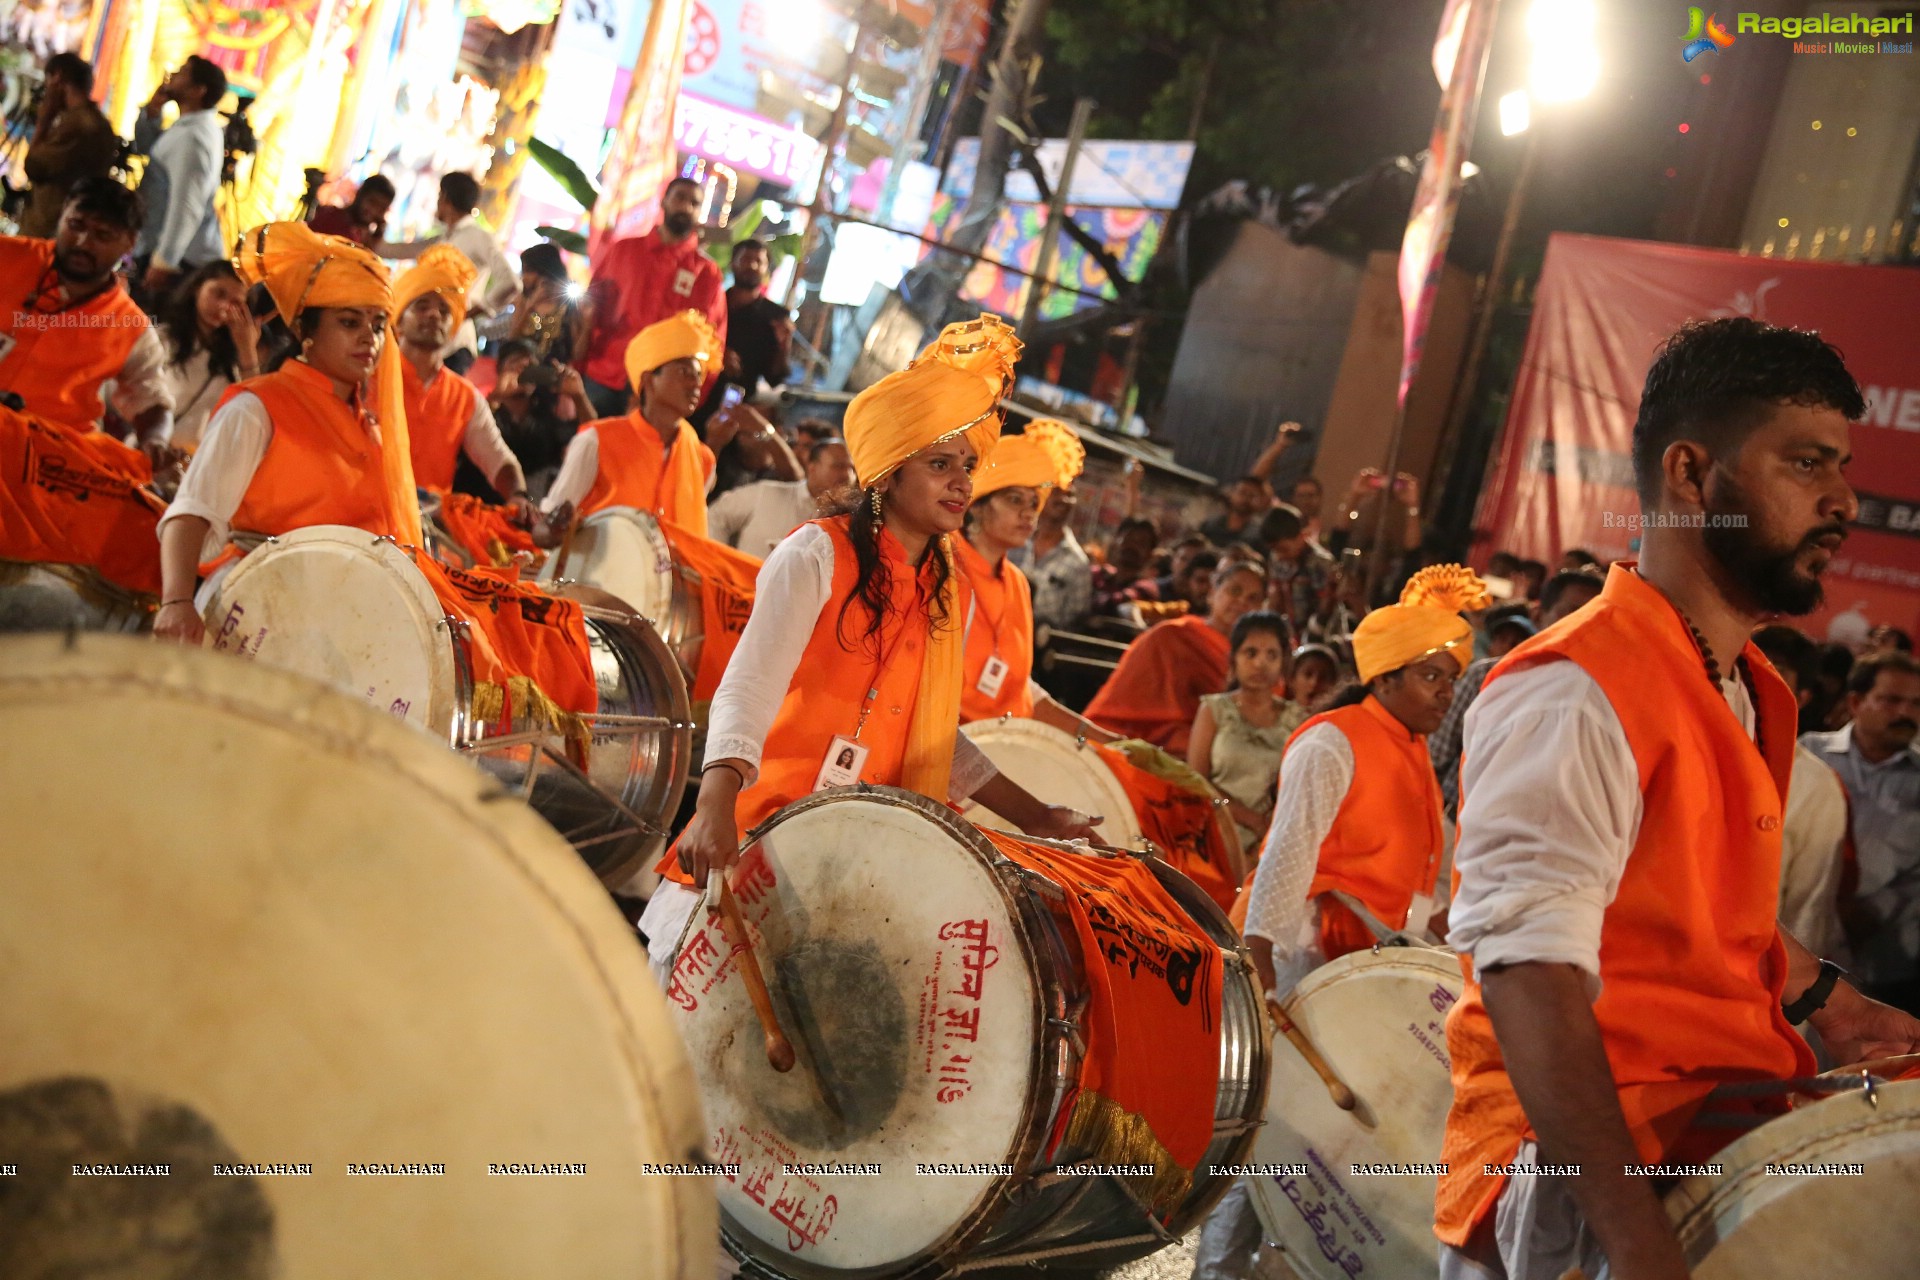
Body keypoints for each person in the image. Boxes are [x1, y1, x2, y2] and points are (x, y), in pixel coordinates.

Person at [1437, 318, 1920, 1280]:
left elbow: (1692, 913)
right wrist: (1640, 1248)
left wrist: (1828, 1000)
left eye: (1842, 466)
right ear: (1692, 475)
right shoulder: (1574, 690)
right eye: (1805, 463)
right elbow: (1530, 979)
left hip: (1704, 1130)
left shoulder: (1747, 690)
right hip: (1581, 1196)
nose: (1842, 499)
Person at [646, 315, 1099, 975]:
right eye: (940, 464)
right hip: (766, 834)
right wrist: (713, 804)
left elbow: (935, 735)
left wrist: (1038, 815)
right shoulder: (815, 553)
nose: (961, 484)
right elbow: (749, 683)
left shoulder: (941, 584)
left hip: (863, 854)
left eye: (967, 466)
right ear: (887, 474)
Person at [1194, 568, 1480, 1280]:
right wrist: (1260, 963)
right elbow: (1288, 859)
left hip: (1361, 974)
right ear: (1383, 678)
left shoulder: (1412, 753)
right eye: (1431, 676)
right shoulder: (1335, 742)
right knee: (1272, 1131)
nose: (1446, 694)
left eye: (1451, 679)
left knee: (1314, 1143)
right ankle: (1217, 1272)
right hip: (1301, 961)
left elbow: (1417, 882)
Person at [154, 223, 418, 644]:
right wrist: (175, 603)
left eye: (378, 325)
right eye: (350, 322)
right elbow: (191, 511)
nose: (369, 337)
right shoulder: (257, 408)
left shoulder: (371, 430)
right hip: (252, 609)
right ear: (304, 334)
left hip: (339, 620)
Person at [954, 418, 1118, 736]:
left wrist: (1097, 736)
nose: (1029, 513)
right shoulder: (944, 567)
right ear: (978, 506)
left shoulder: (1017, 583)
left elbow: (1019, 686)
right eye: (1015, 500)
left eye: (1033, 503)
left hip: (1005, 737)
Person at [0, 179, 173, 457]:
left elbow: (151, 399)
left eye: (102, 235)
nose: (83, 243)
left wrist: (155, 442)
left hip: (49, 460)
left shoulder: (130, 327)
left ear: (129, 242)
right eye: (76, 225)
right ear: (63, 214)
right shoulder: (6, 256)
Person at [1429, 567, 1604, 821]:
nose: (1584, 625)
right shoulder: (1488, 677)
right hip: (1456, 822)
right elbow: (1437, 756)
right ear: (1538, 615)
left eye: (1595, 617)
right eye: (1572, 612)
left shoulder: (1598, 701)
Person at [1801, 650, 1920, 1011]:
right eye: (1891, 700)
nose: (1905, 713)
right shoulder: (1808, 756)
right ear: (1855, 701)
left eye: (1916, 703)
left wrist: (1868, 912)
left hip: (1887, 969)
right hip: (1797, 948)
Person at [540, 309, 721, 540]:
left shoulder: (703, 460)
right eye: (684, 372)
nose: (696, 383)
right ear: (648, 381)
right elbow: (550, 523)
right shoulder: (596, 441)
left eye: (698, 375)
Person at [389, 245, 528, 516]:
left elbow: (498, 458)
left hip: (428, 528)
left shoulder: (465, 396)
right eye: (422, 306)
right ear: (399, 321)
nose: (434, 315)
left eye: (444, 310)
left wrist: (519, 496)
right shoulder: (371, 377)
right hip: (364, 515)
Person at [578, 177, 726, 419]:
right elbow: (589, 312)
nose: (686, 207)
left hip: (657, 393)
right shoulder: (624, 250)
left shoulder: (706, 274)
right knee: (585, 450)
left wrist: (686, 400)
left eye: (694, 203)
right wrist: (577, 367)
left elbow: (712, 344)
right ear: (664, 201)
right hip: (603, 376)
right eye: (679, 198)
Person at [1084, 558, 1266, 755]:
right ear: (1213, 593)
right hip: (1152, 745)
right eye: (1235, 591)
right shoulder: (1170, 636)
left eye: (1253, 598)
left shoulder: (1262, 657)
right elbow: (1124, 705)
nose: (1242, 603)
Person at [1752, 623, 1850, 961]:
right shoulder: (1691, 746)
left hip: (1754, 978)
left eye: (1774, 672)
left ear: (1802, 696)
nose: (1754, 681)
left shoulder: (1816, 785)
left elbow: (1809, 908)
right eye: (1744, 667)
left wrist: (1791, 1007)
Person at [1188, 611, 1307, 850]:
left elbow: (1301, 787)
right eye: (1251, 653)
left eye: (1271, 655)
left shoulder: (1297, 718)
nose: (1260, 663)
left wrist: (1271, 828)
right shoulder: (1214, 710)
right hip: (1218, 833)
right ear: (1234, 659)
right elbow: (1196, 781)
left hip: (1276, 837)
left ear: (1283, 662)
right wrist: (1251, 820)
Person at [379, 172, 516, 375]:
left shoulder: (478, 237)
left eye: (439, 196)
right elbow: (399, 251)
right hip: (431, 339)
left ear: (446, 199)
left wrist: (466, 313)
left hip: (456, 344)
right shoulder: (445, 238)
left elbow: (511, 282)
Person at [131, 57, 227, 298]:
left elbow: (187, 205)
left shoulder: (193, 138)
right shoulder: (188, 128)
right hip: (169, 251)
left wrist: (164, 261)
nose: (173, 75)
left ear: (198, 91)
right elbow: (146, 149)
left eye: (183, 72)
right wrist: (153, 112)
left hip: (179, 260)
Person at [152, 260, 260, 452]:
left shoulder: (234, 361)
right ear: (197, 287)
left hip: (188, 466)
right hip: (147, 450)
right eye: (218, 293)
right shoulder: (162, 339)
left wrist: (247, 350)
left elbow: (251, 413)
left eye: (236, 303)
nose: (223, 306)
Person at [464, 338, 586, 503]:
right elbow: (465, 443)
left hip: (533, 504)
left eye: (530, 366)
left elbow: (590, 437)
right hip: (482, 502)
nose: (523, 369)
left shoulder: (545, 419)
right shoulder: (484, 409)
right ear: (501, 372)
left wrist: (579, 397)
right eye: (515, 364)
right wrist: (496, 397)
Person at [20, 52, 118, 240]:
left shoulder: (78, 125)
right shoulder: (97, 123)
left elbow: (34, 166)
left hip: (48, 233)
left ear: (58, 78)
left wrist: (44, 121)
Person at [707, 435, 849, 558]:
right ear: (812, 467)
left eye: (852, 468)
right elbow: (716, 516)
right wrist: (720, 566)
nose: (847, 475)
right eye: (838, 466)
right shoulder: (766, 494)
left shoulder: (849, 520)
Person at [1010, 483, 1092, 631]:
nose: (1063, 499)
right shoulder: (1016, 541)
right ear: (1042, 496)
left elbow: (1075, 621)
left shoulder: (1078, 562)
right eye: (1057, 492)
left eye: (1070, 495)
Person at [720, 238, 791, 395]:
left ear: (766, 269)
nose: (752, 266)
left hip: (736, 402)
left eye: (759, 261)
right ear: (733, 263)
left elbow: (775, 380)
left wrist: (784, 345)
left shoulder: (776, 316)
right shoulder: (714, 303)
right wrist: (718, 353)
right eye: (745, 259)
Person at [1260, 503, 1335, 631]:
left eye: (1284, 549)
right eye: (1274, 550)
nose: (1279, 556)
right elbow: (1275, 595)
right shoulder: (1276, 557)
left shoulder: (1320, 563)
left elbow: (1326, 604)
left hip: (1317, 631)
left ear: (1302, 536)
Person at [509, 241, 584, 366]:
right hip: (525, 375)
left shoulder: (567, 304)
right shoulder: (523, 299)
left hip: (556, 376)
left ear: (542, 270)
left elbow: (577, 354)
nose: (523, 277)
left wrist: (587, 326)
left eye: (527, 271)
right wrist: (530, 307)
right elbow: (512, 339)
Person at [1089, 517, 1166, 619]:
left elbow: (1112, 606)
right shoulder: (1096, 574)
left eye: (1141, 543)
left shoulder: (1146, 590)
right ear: (1115, 542)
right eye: (1128, 539)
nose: (1132, 546)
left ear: (1150, 554)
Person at [308, 174, 395, 248]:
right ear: (360, 195)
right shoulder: (331, 217)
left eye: (381, 208)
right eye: (372, 202)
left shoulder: (363, 238)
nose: (374, 211)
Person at [1288, 642, 1340, 711]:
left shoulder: (1337, 719)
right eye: (1308, 674)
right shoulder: (1275, 715)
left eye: (1323, 677)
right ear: (1292, 679)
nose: (1314, 683)